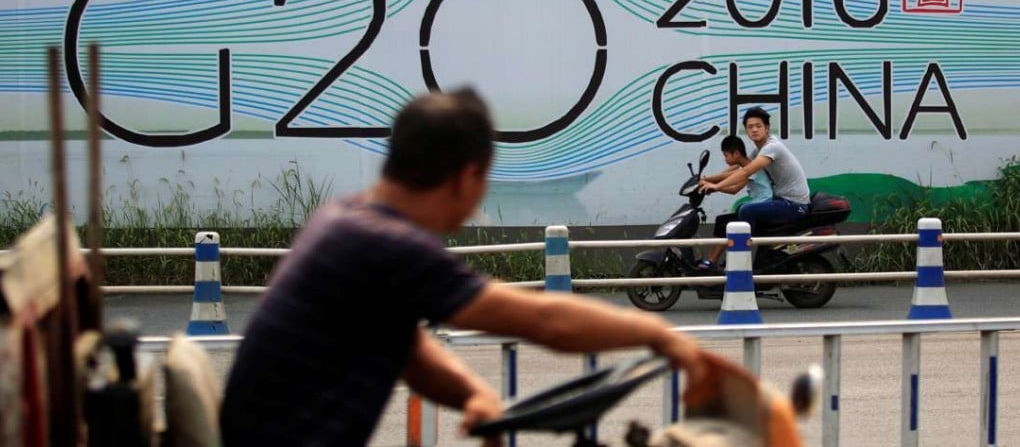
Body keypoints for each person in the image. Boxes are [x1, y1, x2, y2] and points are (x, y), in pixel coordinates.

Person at [219, 87, 705, 447]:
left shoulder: (344, 220)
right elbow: (544, 320)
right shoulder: (386, 245)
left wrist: (474, 393)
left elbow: (410, 351)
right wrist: (659, 335)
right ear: (466, 176)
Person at [696, 107, 811, 270]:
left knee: (746, 210)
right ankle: (713, 262)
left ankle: (740, 261)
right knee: (727, 219)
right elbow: (737, 168)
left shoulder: (772, 147)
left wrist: (716, 186)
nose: (754, 130)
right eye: (750, 127)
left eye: (758, 126)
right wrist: (706, 179)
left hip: (794, 204)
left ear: (767, 128)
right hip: (781, 201)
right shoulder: (759, 151)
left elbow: (746, 171)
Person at [696, 134, 774, 269]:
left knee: (725, 223)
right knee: (721, 220)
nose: (725, 159)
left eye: (726, 155)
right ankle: (711, 259)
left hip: (761, 208)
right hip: (756, 206)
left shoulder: (751, 168)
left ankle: (712, 261)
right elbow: (727, 175)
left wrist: (712, 185)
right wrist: (708, 182)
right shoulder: (745, 166)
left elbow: (734, 188)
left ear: (736, 154)